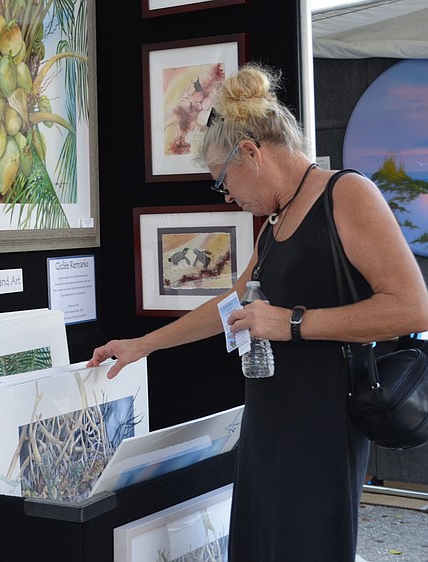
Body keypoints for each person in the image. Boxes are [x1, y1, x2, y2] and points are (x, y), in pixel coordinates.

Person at [88, 63, 428, 561]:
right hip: (269, 418)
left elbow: (412, 307)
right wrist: (142, 346)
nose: (228, 196)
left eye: (223, 181)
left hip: (324, 423)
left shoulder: (346, 193)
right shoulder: (276, 219)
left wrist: (293, 322)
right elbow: (232, 307)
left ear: (252, 152)